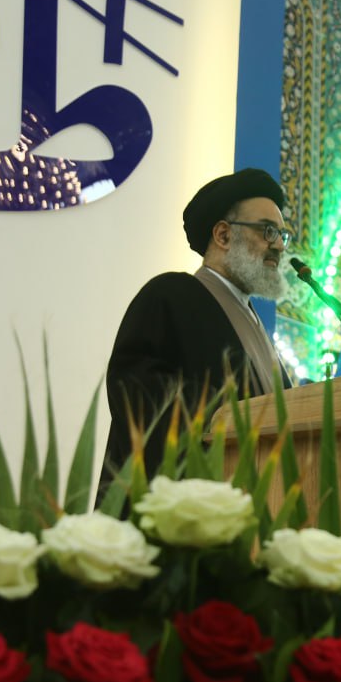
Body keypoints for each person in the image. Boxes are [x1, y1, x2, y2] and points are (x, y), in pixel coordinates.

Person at [101, 168, 295, 481]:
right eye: (267, 231)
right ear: (223, 235)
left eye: (282, 235)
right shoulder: (171, 296)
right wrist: (230, 420)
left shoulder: (254, 323)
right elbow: (135, 394)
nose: (279, 246)